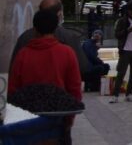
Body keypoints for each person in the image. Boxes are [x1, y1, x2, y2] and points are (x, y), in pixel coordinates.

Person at [9, 9, 82, 143]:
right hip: (58, 119)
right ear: (55, 28)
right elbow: (74, 88)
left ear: (35, 29)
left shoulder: (23, 54)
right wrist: (70, 118)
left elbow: (13, 89)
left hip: (29, 121)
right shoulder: (67, 53)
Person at [10, 0, 89, 80]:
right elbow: (82, 68)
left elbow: (14, 72)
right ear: (59, 14)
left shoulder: (24, 39)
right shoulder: (68, 41)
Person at [110, 1, 132, 103]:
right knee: (121, 73)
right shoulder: (122, 21)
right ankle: (115, 95)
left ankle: (129, 94)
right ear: (128, 11)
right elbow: (117, 35)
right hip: (125, 50)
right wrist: (129, 30)